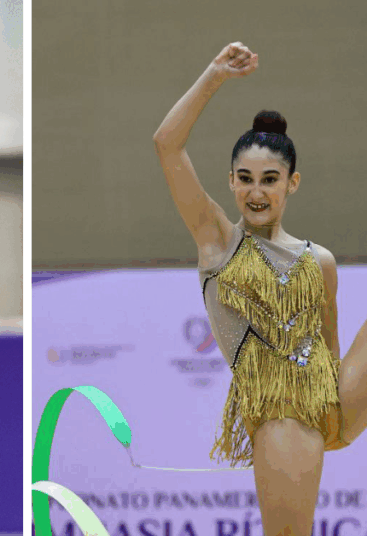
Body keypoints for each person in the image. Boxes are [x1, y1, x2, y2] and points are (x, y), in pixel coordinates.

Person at [154, 42, 367, 536]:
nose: (256, 191)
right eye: (246, 179)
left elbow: (329, 346)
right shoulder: (217, 241)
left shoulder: (321, 261)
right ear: (230, 182)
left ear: (291, 183)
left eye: (270, 179)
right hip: (277, 412)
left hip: (327, 402)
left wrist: (331, 414)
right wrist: (213, 75)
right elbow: (166, 144)